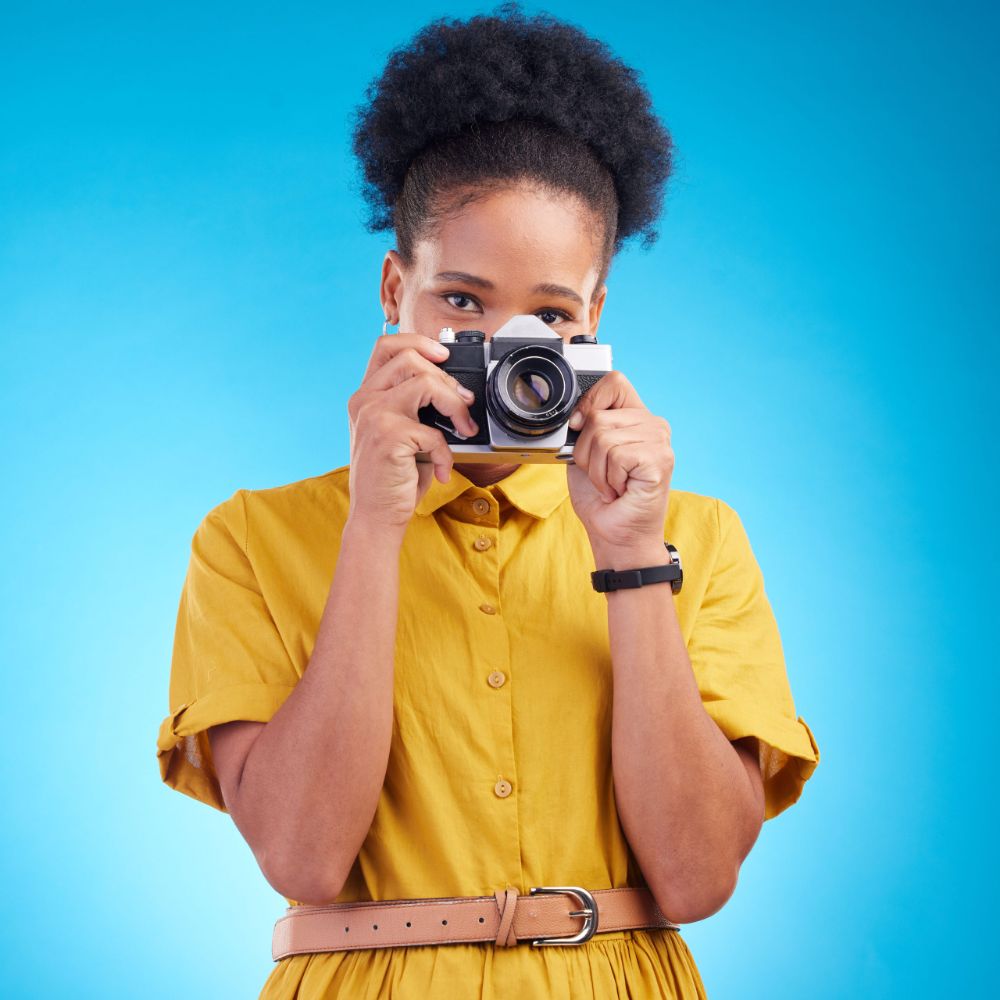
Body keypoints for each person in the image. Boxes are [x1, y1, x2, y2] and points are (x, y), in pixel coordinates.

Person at [156, 5, 821, 997]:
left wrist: (632, 557)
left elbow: (694, 875)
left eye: (548, 316)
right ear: (395, 288)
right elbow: (301, 858)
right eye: (462, 302)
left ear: (593, 317)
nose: (504, 353)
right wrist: (375, 527)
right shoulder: (252, 539)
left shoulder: (695, 536)